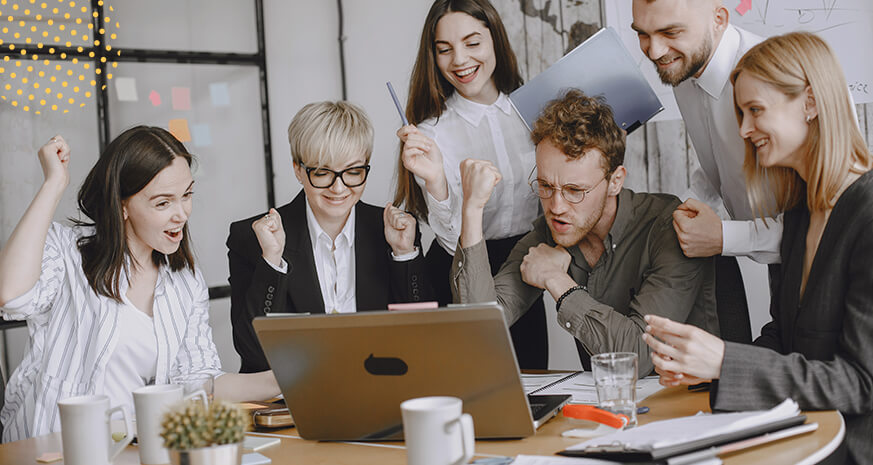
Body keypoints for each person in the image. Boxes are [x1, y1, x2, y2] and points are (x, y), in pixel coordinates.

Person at [643, 32, 873, 464]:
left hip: (863, 440)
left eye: (755, 111)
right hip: (811, 425)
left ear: (811, 104)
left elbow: (858, 384)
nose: (743, 130)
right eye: (740, 113)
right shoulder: (802, 211)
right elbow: (785, 338)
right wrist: (704, 367)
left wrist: (726, 360)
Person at [0, 127, 280, 443]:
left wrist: (288, 380)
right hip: (51, 450)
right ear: (122, 205)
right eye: (163, 203)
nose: (182, 214)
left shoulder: (184, 281)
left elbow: (199, 382)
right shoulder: (67, 252)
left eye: (187, 195)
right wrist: (54, 183)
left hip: (131, 451)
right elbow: (11, 295)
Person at [451, 89, 718, 375]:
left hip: (697, 406)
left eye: (574, 191)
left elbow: (639, 356)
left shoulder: (668, 228)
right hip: (610, 407)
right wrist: (471, 210)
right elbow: (479, 326)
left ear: (615, 181)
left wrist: (557, 280)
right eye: (545, 186)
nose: (556, 206)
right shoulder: (549, 232)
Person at [393, 0, 548, 368]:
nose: (458, 60)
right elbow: (451, 243)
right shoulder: (431, 134)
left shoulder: (536, 114)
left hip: (523, 266)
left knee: (531, 389)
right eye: (444, 49)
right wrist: (435, 181)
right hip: (456, 272)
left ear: (495, 38)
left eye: (472, 42)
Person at [228, 101, 431, 373]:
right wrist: (272, 262)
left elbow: (424, 338)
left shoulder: (394, 232)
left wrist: (404, 255)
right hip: (292, 402)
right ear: (298, 169)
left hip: (381, 392)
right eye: (322, 173)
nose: (339, 188)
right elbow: (253, 353)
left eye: (353, 172)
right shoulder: (253, 237)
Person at [631, 0, 769, 343]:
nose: (655, 51)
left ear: (719, 18)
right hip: (777, 263)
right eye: (643, 34)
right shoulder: (682, 66)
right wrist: (690, 202)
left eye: (670, 32)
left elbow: (818, 230)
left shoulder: (774, 80)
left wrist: (722, 237)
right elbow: (720, 157)